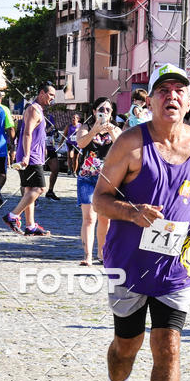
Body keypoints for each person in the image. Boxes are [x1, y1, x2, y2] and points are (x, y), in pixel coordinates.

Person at [94, 63, 190, 381]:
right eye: (163, 90)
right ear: (148, 100)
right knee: (126, 345)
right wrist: (131, 212)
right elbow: (100, 200)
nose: (172, 96)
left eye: (179, 90)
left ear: (189, 100)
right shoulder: (129, 144)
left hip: (178, 264)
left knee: (168, 345)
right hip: (129, 263)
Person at [2, 81, 56, 236]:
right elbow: (27, 133)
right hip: (31, 157)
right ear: (41, 93)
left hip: (35, 155)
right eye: (50, 94)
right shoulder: (33, 110)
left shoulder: (39, 110)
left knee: (29, 190)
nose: (52, 98)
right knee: (39, 189)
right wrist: (26, 155)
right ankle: (12, 216)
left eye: (53, 95)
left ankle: (30, 225)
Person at [76, 97, 121, 266]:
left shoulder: (116, 129)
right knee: (88, 218)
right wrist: (94, 130)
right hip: (86, 177)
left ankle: (102, 254)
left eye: (108, 110)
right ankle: (87, 256)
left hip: (108, 179)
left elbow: (123, 147)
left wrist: (110, 131)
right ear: (94, 111)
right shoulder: (86, 128)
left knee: (104, 219)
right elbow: (80, 143)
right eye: (101, 109)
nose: (104, 113)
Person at [44, 113, 62, 201]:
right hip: (40, 147)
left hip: (51, 147)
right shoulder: (37, 115)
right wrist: (48, 130)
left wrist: (55, 132)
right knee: (37, 171)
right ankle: (32, 192)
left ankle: (50, 191)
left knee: (55, 169)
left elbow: (53, 131)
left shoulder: (51, 116)